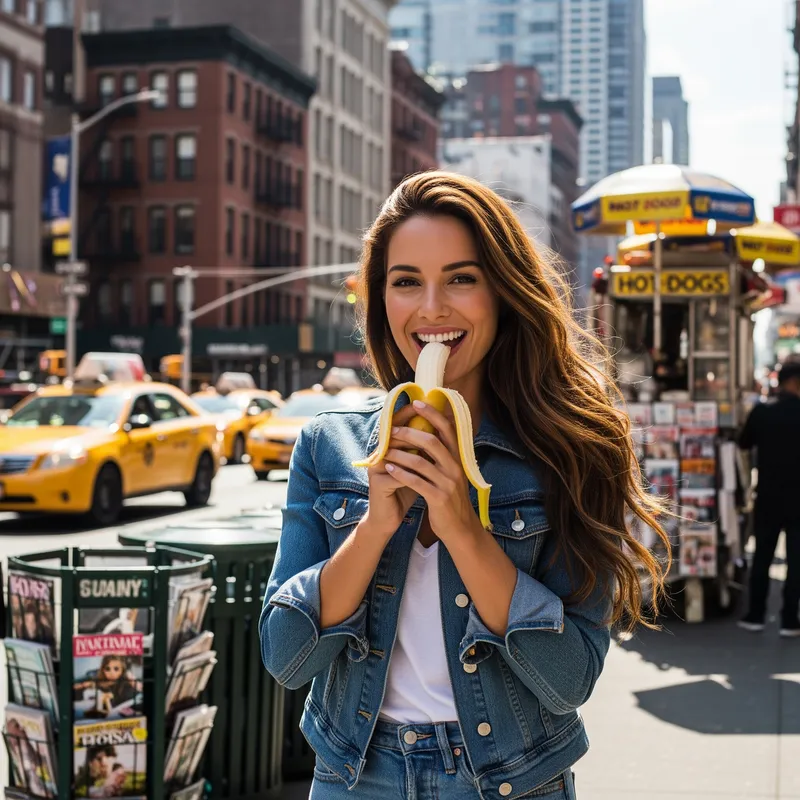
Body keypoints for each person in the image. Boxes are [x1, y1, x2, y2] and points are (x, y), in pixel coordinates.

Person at [259, 172, 670, 799]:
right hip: (354, 775)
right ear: (380, 300)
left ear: (503, 292)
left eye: (461, 278)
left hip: (507, 780)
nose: (431, 309)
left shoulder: (572, 451)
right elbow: (285, 658)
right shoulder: (329, 445)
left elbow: (569, 680)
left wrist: (460, 526)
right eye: (405, 282)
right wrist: (374, 528)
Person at [737, 358, 800, 638]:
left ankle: (756, 614)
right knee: (797, 560)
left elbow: (743, 443)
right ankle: (789, 620)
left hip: (768, 496)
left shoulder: (762, 412)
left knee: (762, 556)